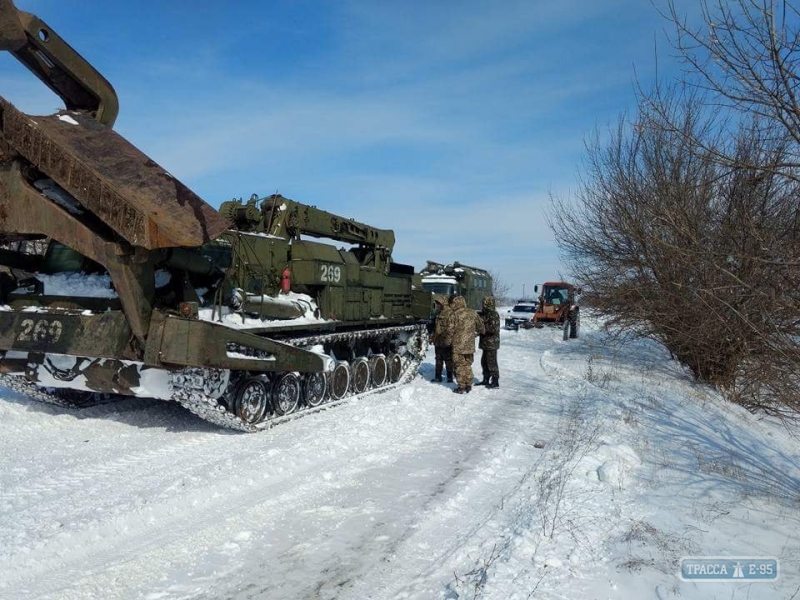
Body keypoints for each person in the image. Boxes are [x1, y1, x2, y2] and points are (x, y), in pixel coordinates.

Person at [447, 294, 485, 394]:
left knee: (459, 366)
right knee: (467, 365)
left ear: (455, 303)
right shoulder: (473, 313)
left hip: (458, 346)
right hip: (469, 346)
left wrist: (447, 342)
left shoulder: (454, 314)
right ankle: (468, 384)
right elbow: (481, 328)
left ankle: (461, 387)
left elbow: (450, 331)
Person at [475, 296, 500, 388]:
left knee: (491, 362)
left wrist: (482, 329)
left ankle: (495, 381)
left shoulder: (493, 314)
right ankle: (486, 379)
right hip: (485, 343)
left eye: (485, 303)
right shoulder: (484, 314)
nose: (483, 305)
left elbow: (494, 329)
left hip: (491, 343)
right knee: (484, 362)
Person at [429, 295, 454, 382]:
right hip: (438, 340)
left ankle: (449, 377)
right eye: (437, 303)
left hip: (446, 340)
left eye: (438, 303)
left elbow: (451, 328)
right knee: (438, 358)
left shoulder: (449, 313)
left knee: (448, 359)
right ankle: (438, 376)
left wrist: (449, 339)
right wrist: (432, 337)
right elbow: (436, 326)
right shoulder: (438, 312)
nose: (437, 304)